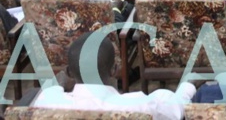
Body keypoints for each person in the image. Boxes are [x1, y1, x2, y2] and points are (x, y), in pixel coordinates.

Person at [33, 32, 195, 119]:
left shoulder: (47, 103)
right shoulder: (142, 106)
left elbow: (50, 91)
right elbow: (177, 109)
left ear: (69, 72)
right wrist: (189, 84)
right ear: (114, 69)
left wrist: (56, 84)